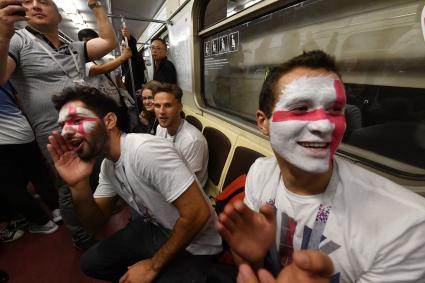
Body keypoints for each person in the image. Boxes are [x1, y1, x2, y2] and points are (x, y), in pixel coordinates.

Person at [217, 50, 425, 282]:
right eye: (300, 108)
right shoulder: (260, 173)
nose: (325, 126)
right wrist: (251, 258)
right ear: (263, 122)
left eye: (335, 110)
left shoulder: (406, 226)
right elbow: (247, 266)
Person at [47, 86, 221, 282]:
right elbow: (94, 224)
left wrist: (153, 266)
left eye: (77, 121)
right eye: (62, 125)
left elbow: (198, 213)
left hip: (197, 243)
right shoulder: (107, 166)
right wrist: (78, 186)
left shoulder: (144, 151)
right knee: (91, 262)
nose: (66, 132)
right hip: (157, 227)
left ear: (110, 121)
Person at [0, 0, 117, 250]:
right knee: (69, 187)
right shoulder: (18, 40)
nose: (34, 6)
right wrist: (2, 33)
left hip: (86, 127)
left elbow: (108, 43)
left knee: (96, 173)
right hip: (56, 133)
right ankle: (81, 237)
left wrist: (97, 7)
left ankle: (96, 217)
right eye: (28, 3)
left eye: (42, 1)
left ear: (59, 15)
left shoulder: (72, 47)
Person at [0, 81, 59, 234]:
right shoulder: (3, 76)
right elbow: (20, 102)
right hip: (23, 130)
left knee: (11, 186)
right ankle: (56, 209)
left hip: (2, 142)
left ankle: (42, 222)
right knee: (38, 172)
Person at [78, 28, 134, 132]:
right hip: (100, 108)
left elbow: (118, 81)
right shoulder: (81, 62)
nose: (90, 46)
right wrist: (123, 57)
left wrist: (127, 100)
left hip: (118, 104)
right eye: (86, 43)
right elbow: (100, 69)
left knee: (124, 131)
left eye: (93, 42)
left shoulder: (108, 60)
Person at [154, 83, 209, 187]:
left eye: (168, 105)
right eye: (157, 106)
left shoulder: (192, 141)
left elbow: (187, 185)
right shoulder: (160, 128)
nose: (161, 112)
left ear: (180, 107)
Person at [121, 26, 146, 95]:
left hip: (137, 90)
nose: (124, 48)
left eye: (125, 45)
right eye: (122, 46)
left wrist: (128, 39)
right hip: (127, 91)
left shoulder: (136, 57)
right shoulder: (123, 61)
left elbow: (134, 51)